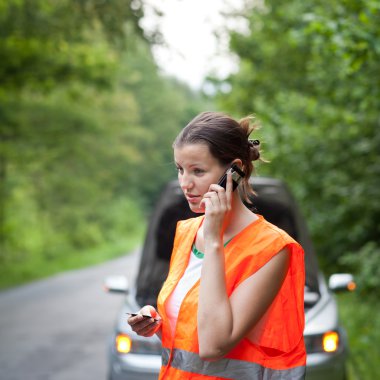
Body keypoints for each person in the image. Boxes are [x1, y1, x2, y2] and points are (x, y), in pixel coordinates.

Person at [128, 111, 306, 379]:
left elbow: (213, 345)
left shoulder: (272, 249)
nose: (185, 184)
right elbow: (194, 330)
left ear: (235, 170)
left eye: (198, 171)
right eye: (180, 169)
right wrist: (158, 323)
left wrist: (213, 239)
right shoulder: (187, 232)